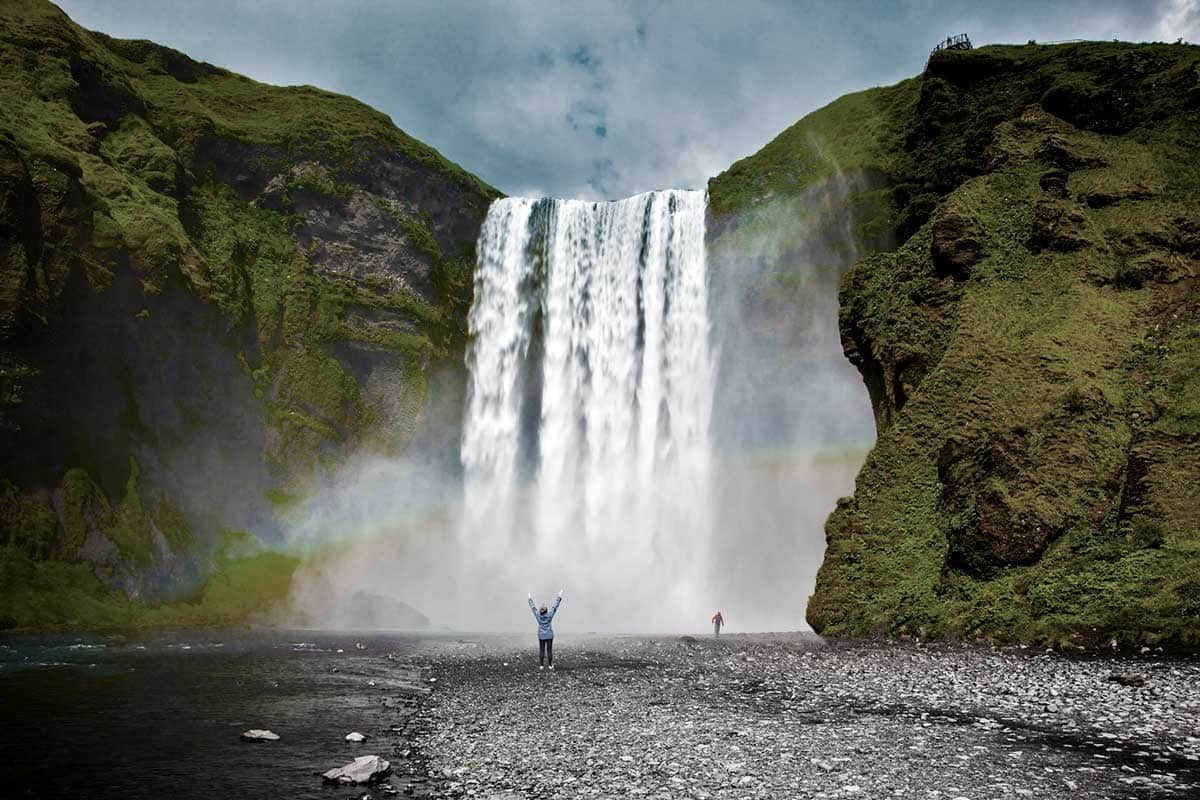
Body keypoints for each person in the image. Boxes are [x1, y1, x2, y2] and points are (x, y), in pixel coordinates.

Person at [528, 589, 563, 670]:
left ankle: (541, 665)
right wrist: (559, 596)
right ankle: (550, 665)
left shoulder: (538, 615)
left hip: (541, 635)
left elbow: (533, 608)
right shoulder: (549, 615)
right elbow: (555, 606)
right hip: (549, 635)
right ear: (547, 610)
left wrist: (529, 599)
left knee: (541, 649)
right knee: (549, 650)